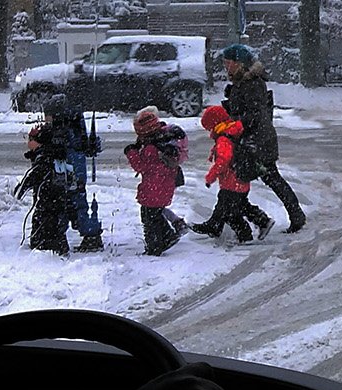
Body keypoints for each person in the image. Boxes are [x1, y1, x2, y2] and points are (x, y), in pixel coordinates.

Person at [220, 44, 306, 233]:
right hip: (253, 139)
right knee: (265, 178)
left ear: (238, 63)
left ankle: (286, 217)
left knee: (268, 178)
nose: (226, 67)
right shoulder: (243, 82)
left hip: (257, 141)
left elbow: (255, 114)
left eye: (228, 63)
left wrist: (237, 124)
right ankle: (284, 216)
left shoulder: (252, 83)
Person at [190, 105, 272, 243]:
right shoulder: (233, 131)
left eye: (209, 128)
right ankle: (215, 226)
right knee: (236, 206)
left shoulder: (224, 139)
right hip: (240, 179)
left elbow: (223, 160)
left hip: (232, 182)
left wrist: (211, 176)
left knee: (230, 213)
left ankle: (245, 234)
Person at [16, 95, 86, 255]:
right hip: (55, 188)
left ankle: (47, 247)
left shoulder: (58, 135)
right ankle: (51, 244)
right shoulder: (59, 131)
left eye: (48, 114)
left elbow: (48, 158)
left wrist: (37, 149)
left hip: (51, 187)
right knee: (53, 215)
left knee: (48, 217)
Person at [126, 106, 190, 256]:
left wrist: (131, 152)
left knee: (150, 220)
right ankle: (167, 236)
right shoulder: (165, 144)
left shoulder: (151, 149)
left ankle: (155, 246)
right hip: (162, 187)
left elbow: (140, 166)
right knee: (155, 215)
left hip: (153, 189)